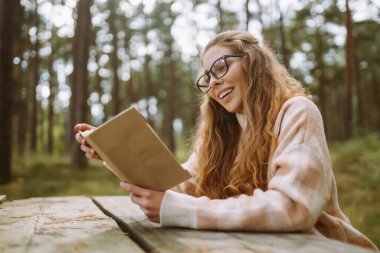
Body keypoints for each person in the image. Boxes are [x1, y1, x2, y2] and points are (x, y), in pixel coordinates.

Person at [74, 30, 378, 251]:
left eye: (221, 67)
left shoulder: (298, 112)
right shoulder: (221, 133)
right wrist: (114, 150)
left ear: (253, 62)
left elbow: (292, 207)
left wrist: (183, 211)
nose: (214, 82)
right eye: (207, 77)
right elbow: (178, 183)